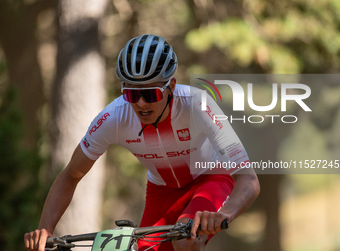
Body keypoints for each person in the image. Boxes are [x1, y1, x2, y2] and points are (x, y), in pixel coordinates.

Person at [24, 34, 260, 251]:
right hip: (161, 192)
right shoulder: (114, 116)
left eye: (150, 94)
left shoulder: (198, 104)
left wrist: (224, 214)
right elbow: (71, 174)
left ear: (172, 87)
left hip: (211, 179)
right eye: (131, 94)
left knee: (185, 242)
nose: (140, 104)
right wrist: (45, 230)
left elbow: (249, 180)